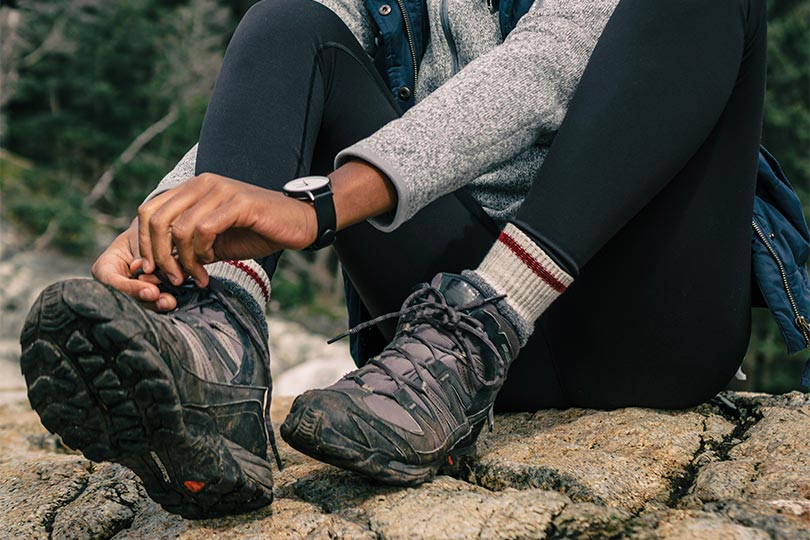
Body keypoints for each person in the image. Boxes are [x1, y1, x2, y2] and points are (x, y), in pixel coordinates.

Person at [19, 0, 768, 520]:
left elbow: (538, 75)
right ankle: (219, 360)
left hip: (637, 333)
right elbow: (285, 92)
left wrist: (321, 202)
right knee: (286, 23)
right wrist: (167, 225)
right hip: (425, 363)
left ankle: (490, 315)